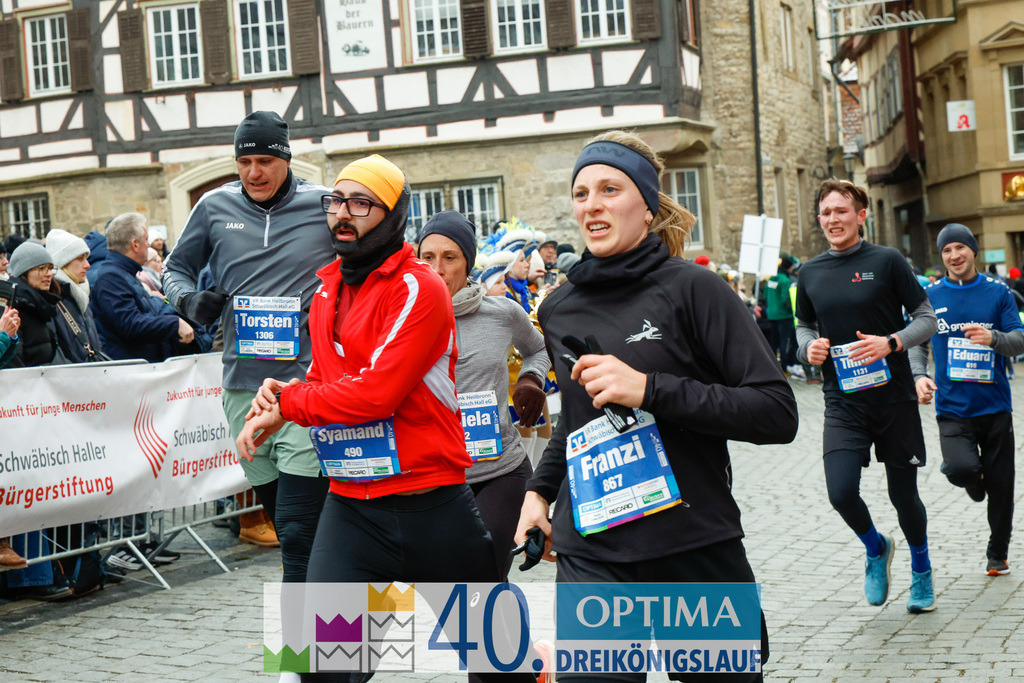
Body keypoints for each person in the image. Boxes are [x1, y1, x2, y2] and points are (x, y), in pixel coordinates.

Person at [515, 131, 797, 682]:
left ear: (646, 206)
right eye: (581, 193)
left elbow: (776, 411)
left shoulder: (696, 290)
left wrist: (650, 389)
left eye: (609, 189)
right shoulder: (559, 308)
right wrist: (538, 493)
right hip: (593, 549)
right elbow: (578, 420)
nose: (591, 205)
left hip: (692, 546)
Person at [239, 155, 521, 682]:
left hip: (433, 509)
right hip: (351, 512)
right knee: (318, 669)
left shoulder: (419, 288)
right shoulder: (325, 291)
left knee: (501, 667)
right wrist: (287, 396)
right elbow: (330, 379)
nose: (343, 214)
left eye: (361, 203)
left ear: (392, 216)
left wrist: (293, 405)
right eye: (336, 202)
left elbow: (375, 394)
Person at [164, 111, 337, 567]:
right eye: (244, 161)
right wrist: (187, 301)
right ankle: (332, 621)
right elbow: (173, 269)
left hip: (304, 385)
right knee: (286, 525)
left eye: (264, 160)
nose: (253, 172)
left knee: (300, 531)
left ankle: (313, 635)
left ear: (286, 159)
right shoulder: (214, 207)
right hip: (243, 386)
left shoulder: (323, 205)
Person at [795, 178, 939, 613]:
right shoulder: (810, 272)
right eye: (826, 213)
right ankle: (876, 548)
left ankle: (921, 571)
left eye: (842, 211)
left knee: (903, 495)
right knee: (840, 492)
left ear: (860, 216)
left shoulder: (887, 260)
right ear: (819, 219)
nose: (833, 219)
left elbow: (926, 318)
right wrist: (808, 348)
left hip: (893, 399)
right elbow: (803, 326)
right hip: (843, 401)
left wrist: (891, 343)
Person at [417, 210, 550, 581]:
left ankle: (497, 637)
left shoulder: (502, 312)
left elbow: (539, 349)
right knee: (451, 583)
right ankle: (510, 640)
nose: (438, 268)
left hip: (498, 470)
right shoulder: (401, 317)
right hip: (432, 478)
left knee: (483, 573)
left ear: (468, 263)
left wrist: (530, 380)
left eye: (450, 257)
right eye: (427, 257)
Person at [910, 224, 1024, 576]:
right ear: (941, 257)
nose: (954, 255)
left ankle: (997, 553)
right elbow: (917, 342)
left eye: (960, 247)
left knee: (1003, 486)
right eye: (947, 250)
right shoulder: (929, 296)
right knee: (961, 469)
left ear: (973, 250)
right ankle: (973, 481)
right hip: (953, 408)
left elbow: (1019, 339)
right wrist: (919, 376)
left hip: (994, 406)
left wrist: (993, 338)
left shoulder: (998, 293)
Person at [2, 242, 75, 599]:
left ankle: (40, 573)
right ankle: (32, 577)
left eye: (51, 266)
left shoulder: (42, 304)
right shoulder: (18, 304)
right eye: (40, 267)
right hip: (25, 407)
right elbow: (17, 362)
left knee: (35, 491)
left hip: (37, 407)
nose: (49, 273)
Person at [89, 213, 195, 363]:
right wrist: (174, 323)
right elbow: (130, 324)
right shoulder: (111, 278)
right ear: (135, 245)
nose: (149, 245)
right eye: (146, 240)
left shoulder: (125, 273)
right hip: (131, 372)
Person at [45, 229, 105, 364]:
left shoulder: (79, 294)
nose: (87, 265)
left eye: (86, 258)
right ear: (62, 263)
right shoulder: (53, 299)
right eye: (80, 259)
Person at [766, 256, 803, 378]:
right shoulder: (785, 280)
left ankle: (771, 367)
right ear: (788, 267)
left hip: (771, 315)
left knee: (773, 342)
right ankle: (784, 367)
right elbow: (785, 299)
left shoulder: (771, 278)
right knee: (784, 342)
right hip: (784, 315)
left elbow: (766, 295)